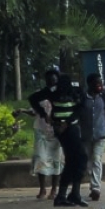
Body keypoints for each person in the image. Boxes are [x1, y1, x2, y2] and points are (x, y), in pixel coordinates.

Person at [31, 71, 88, 207]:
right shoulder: (52, 91)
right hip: (62, 129)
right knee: (78, 158)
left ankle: (70, 194)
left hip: (70, 126)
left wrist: (67, 121)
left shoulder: (74, 90)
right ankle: (68, 195)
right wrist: (44, 114)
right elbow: (33, 99)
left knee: (75, 160)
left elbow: (81, 106)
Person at [25, 67, 64, 200]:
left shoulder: (62, 94)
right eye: (48, 80)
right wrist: (25, 111)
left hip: (57, 132)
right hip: (41, 131)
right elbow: (33, 109)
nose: (51, 83)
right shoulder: (40, 94)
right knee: (41, 159)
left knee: (56, 160)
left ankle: (54, 189)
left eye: (53, 80)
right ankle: (42, 189)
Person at [80, 73, 105, 202]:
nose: (99, 86)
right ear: (89, 84)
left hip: (100, 135)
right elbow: (77, 116)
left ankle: (95, 188)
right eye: (97, 83)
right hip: (85, 136)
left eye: (101, 83)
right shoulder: (83, 98)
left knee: (96, 159)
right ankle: (93, 183)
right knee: (87, 162)